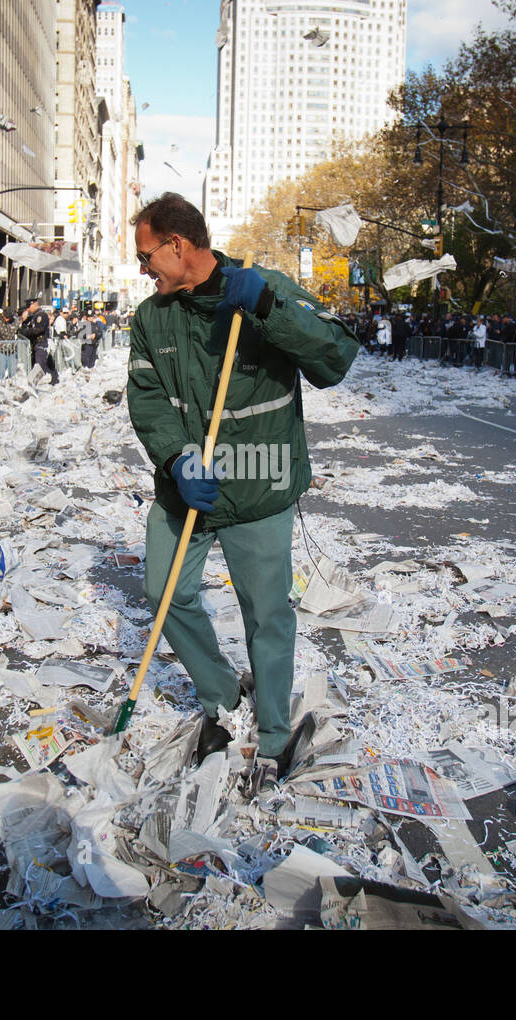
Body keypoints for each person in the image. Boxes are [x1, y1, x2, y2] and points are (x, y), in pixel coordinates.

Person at [126, 192, 359, 791]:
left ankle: (276, 735)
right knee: (163, 590)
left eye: (146, 254)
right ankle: (224, 693)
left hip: (260, 484)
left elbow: (335, 358)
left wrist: (268, 306)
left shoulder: (262, 289)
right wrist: (178, 458)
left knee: (267, 614)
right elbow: (148, 397)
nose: (142, 268)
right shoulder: (152, 317)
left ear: (177, 245)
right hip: (188, 489)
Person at [20, 297, 55, 384]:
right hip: (34, 344)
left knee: (39, 366)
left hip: (41, 343)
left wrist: (26, 332)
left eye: (29, 306)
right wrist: (23, 320)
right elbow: (22, 329)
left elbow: (39, 329)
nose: (28, 308)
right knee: (36, 365)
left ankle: (50, 382)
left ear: (35, 305)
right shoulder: (32, 316)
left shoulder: (41, 315)